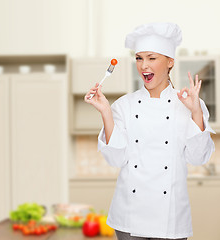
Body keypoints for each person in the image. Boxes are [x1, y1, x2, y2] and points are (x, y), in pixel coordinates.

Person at [84, 22, 216, 240]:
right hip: (129, 217)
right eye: (139, 58)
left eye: (151, 58)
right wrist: (106, 111)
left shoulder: (190, 104)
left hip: (170, 219)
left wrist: (195, 113)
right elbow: (116, 159)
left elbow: (198, 157)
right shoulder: (124, 105)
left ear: (170, 62)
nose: (144, 65)